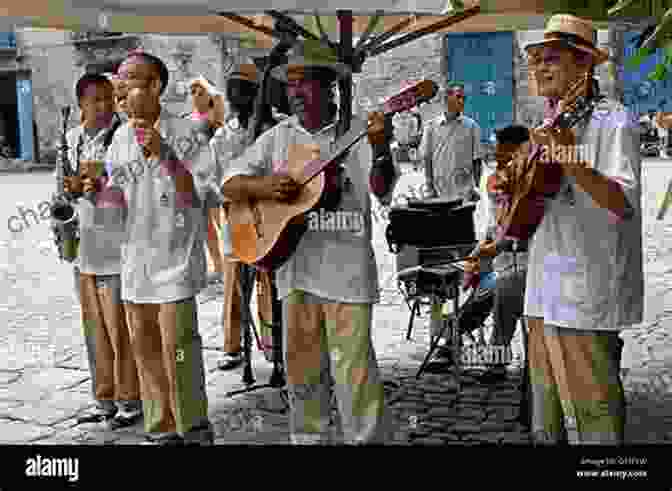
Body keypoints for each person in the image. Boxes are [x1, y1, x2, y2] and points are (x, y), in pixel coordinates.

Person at [221, 40, 399, 445]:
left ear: (330, 86)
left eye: (306, 83)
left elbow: (382, 188)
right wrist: (267, 185)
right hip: (296, 272)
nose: (297, 92)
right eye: (292, 84)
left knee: (355, 375)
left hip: (348, 274)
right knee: (302, 374)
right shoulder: (279, 137)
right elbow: (229, 184)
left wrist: (382, 147)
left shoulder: (357, 132)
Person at [521, 14, 643, 444]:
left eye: (551, 59)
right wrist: (508, 190)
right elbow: (534, 205)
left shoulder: (615, 120)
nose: (539, 69)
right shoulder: (546, 126)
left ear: (584, 65)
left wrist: (572, 159)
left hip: (588, 286)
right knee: (545, 417)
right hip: (542, 289)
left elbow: (621, 203)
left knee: (595, 418)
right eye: (535, 61)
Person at [104, 51, 215, 445]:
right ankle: (161, 428)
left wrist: (165, 154)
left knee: (179, 352)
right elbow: (116, 205)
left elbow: (198, 198)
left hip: (175, 265)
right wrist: (92, 195)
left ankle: (193, 428)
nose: (119, 87)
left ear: (155, 87)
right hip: (136, 265)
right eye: (118, 78)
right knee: (147, 352)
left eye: (129, 79)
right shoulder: (118, 138)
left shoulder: (188, 133)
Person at [57, 73, 142, 429]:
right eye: (96, 100)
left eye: (109, 98)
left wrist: (102, 186)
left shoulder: (125, 138)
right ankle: (104, 398)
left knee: (120, 331)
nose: (105, 106)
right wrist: (63, 209)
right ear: (81, 105)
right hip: (84, 250)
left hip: (116, 247)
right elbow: (60, 188)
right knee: (94, 331)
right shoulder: (71, 139)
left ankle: (130, 400)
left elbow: (135, 187)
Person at [459, 124, 531, 382]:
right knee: (468, 284)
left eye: (502, 152)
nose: (496, 157)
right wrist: (478, 253)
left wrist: (490, 249)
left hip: (522, 262)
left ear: (517, 151)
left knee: (504, 288)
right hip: (500, 260)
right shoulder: (498, 180)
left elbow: (517, 234)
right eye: (496, 152)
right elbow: (494, 227)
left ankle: (495, 363)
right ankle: (451, 339)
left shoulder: (528, 182)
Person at [209, 62, 260, 370]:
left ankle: (271, 342)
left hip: (271, 220)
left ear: (256, 93)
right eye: (231, 91)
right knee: (235, 286)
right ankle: (232, 345)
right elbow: (215, 183)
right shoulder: (221, 139)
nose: (234, 96)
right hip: (236, 219)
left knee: (270, 285)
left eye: (242, 89)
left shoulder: (272, 127)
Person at [418, 82, 483, 201]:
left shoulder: (472, 127)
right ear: (446, 98)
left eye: (464, 98)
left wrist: (476, 188)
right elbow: (427, 159)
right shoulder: (431, 127)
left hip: (464, 193)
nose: (462, 101)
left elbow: (477, 161)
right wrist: (430, 187)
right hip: (439, 192)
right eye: (458, 97)